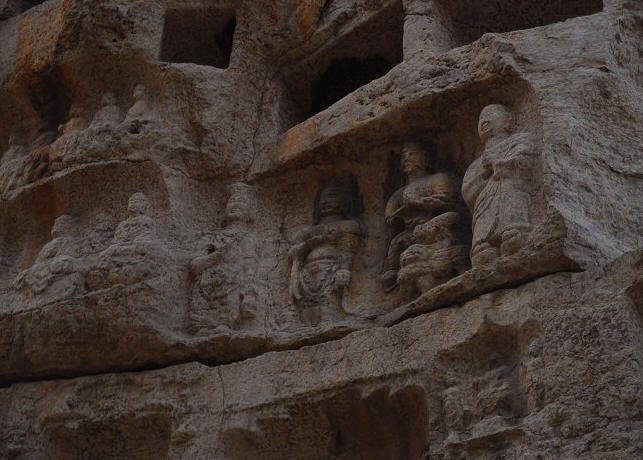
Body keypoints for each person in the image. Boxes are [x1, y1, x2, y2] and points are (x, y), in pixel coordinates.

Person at [462, 104, 537, 267]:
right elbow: (468, 192)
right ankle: (483, 247)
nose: (484, 120)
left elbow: (523, 164)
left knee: (513, 241)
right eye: (481, 118)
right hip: (484, 207)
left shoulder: (520, 141)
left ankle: (515, 234)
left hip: (511, 197)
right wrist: (484, 172)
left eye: (491, 114)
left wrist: (495, 163)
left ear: (509, 121)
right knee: (483, 256)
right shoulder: (476, 164)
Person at [289, 179, 363, 326]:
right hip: (306, 274)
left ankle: (330, 324)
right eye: (322, 199)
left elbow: (348, 247)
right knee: (307, 309)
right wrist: (309, 244)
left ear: (344, 200)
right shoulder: (307, 232)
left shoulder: (347, 226)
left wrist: (344, 269)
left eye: (332, 196)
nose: (325, 201)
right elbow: (294, 250)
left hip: (330, 269)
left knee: (329, 304)